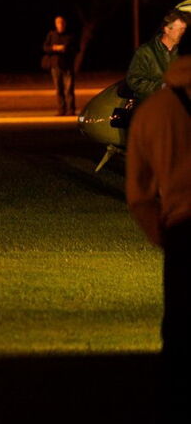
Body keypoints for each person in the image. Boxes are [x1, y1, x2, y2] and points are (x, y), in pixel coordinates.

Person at [126, 56, 191, 419]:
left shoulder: (155, 111)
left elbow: (139, 193)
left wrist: (163, 235)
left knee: (181, 329)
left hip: (183, 229)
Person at [127, 10, 188, 101]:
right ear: (167, 29)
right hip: (152, 104)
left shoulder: (185, 51)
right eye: (180, 29)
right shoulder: (145, 52)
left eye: (185, 29)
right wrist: (162, 87)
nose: (183, 33)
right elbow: (134, 81)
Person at [42, 15, 78, 115]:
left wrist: (65, 49)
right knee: (59, 89)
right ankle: (61, 110)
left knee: (69, 89)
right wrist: (54, 48)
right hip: (55, 66)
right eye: (58, 23)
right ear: (55, 24)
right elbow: (45, 47)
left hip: (68, 66)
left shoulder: (70, 36)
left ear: (65, 24)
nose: (60, 25)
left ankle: (71, 110)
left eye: (62, 23)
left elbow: (76, 49)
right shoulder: (51, 35)